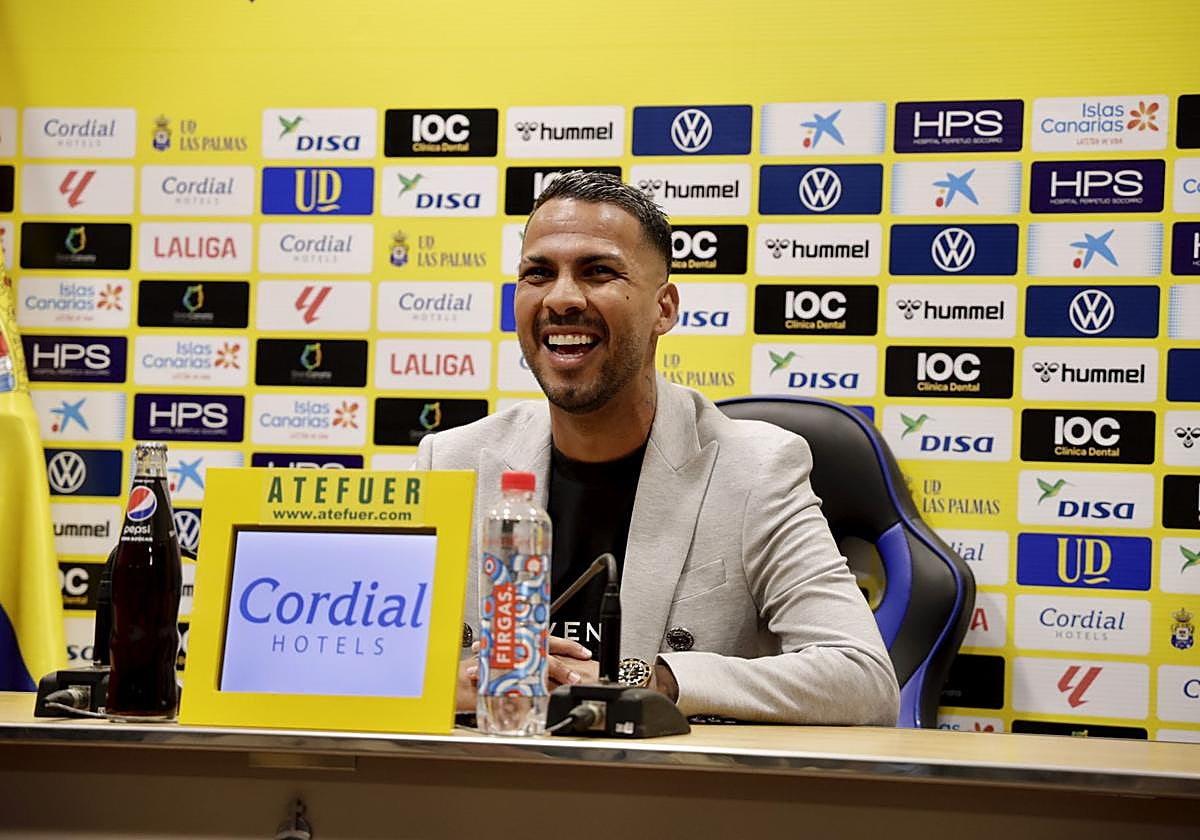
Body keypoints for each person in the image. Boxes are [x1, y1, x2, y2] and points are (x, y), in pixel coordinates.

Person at [414, 171, 899, 725]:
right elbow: (364, 662)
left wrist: (653, 681)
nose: (563, 298)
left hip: (665, 797)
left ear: (664, 309)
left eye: (598, 272)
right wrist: (444, 682)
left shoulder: (757, 470)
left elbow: (863, 678)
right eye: (538, 274)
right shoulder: (450, 462)